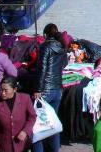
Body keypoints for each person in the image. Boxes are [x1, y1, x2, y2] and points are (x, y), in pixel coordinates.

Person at [32, 23, 68, 152]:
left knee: (39, 125)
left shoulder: (45, 47)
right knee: (53, 124)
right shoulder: (62, 48)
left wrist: (38, 89)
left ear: (46, 34)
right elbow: (64, 64)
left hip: (45, 90)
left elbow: (42, 69)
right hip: (57, 89)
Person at [0, 77, 36, 152]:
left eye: (6, 90)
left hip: (22, 144)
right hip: (5, 146)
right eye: (1, 90)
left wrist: (25, 131)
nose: (3, 93)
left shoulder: (25, 98)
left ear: (15, 89)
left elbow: (32, 117)